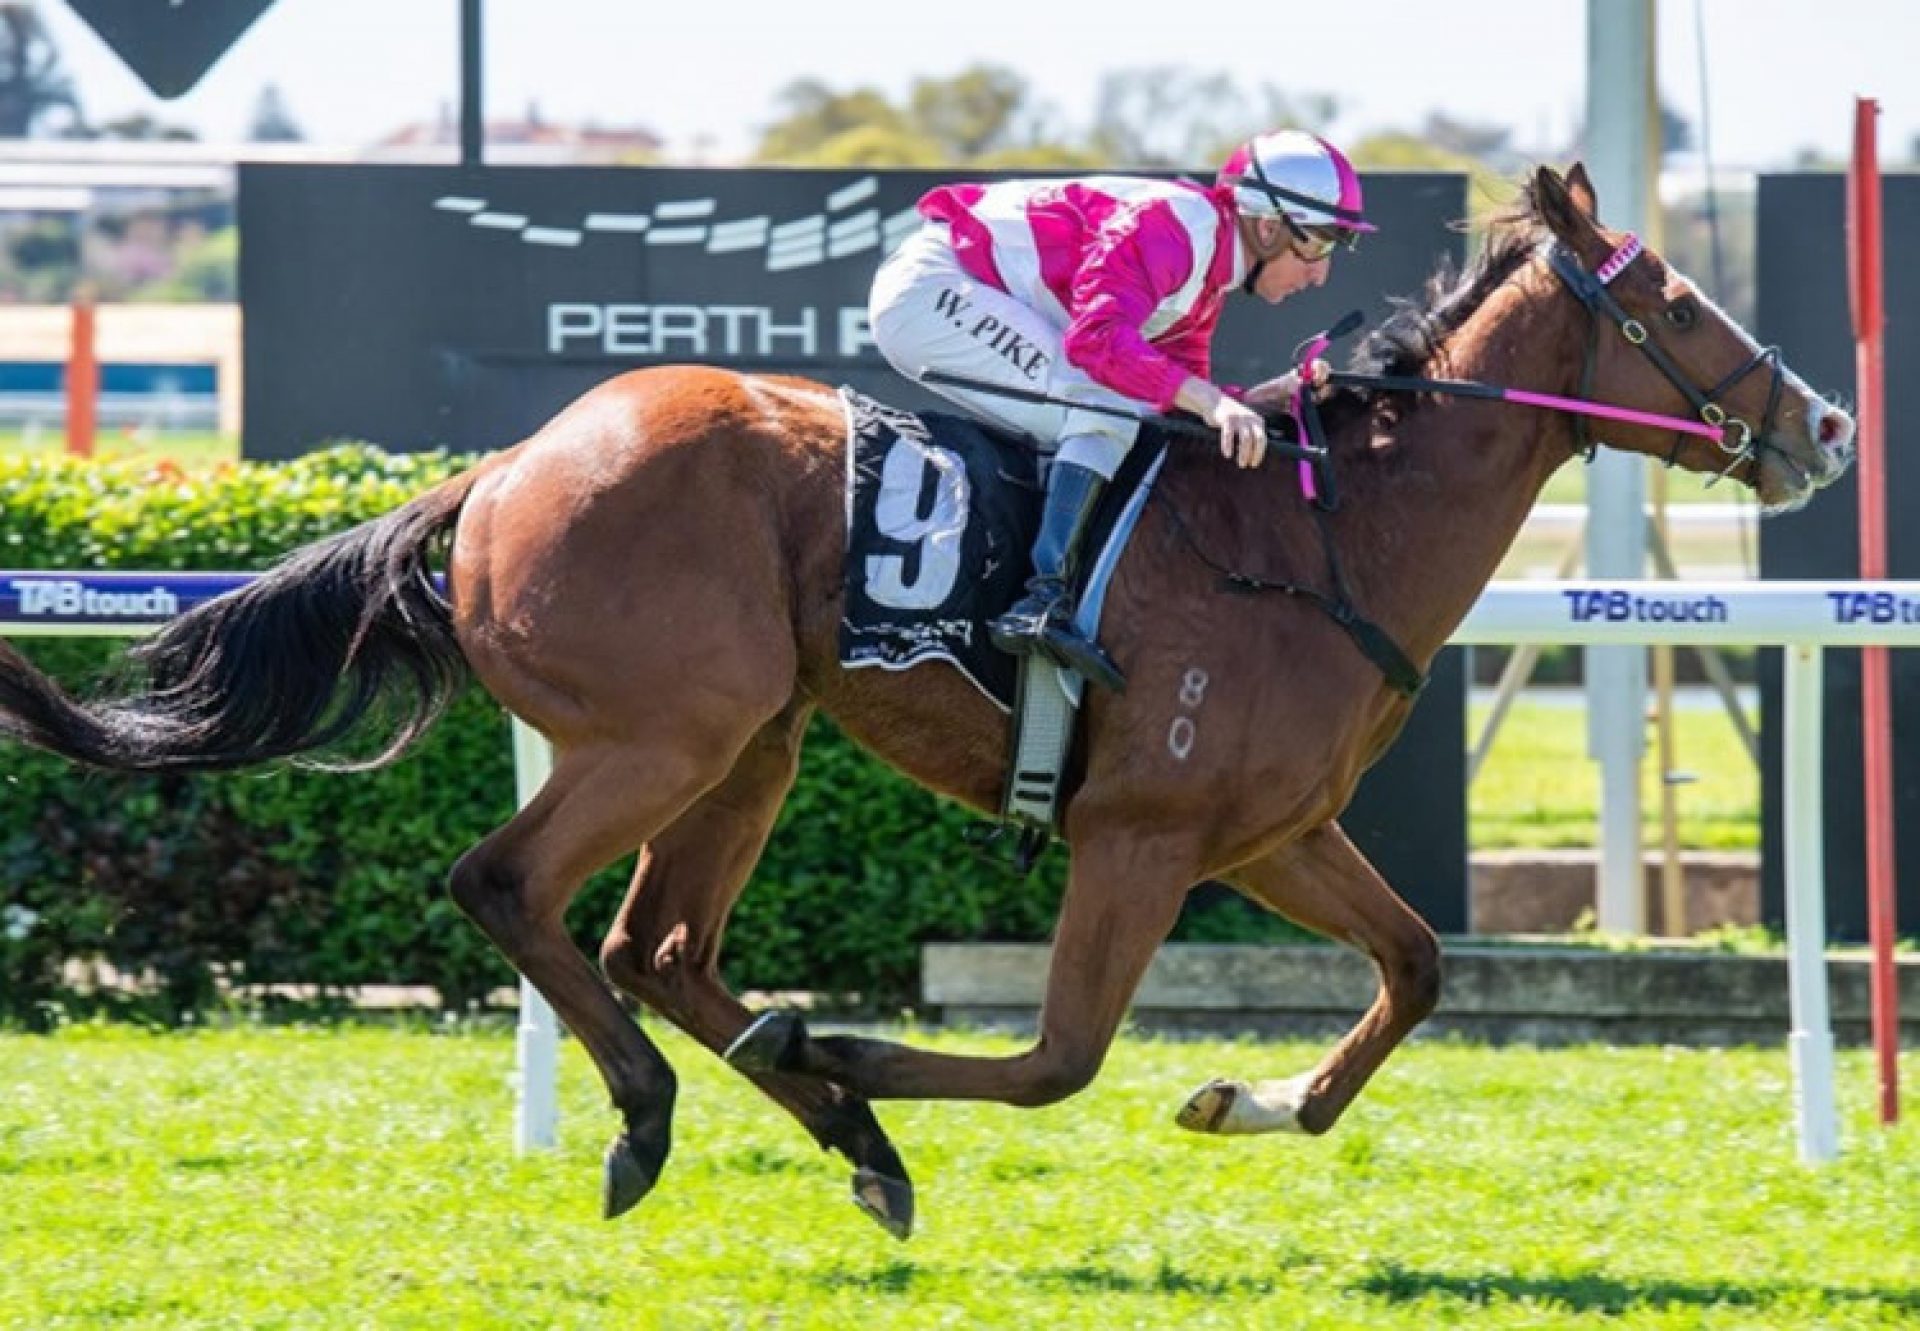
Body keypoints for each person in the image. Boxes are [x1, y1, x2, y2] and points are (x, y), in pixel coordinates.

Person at [867, 129, 1374, 693]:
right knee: (1103, 404)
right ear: (1268, 225)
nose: (1321, 272)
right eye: (1320, 243)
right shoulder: (1177, 230)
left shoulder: (1206, 277)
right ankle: (1042, 597)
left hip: (961, 287)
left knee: (1130, 409)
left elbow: (1175, 397)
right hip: (935, 289)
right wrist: (1209, 402)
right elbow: (1097, 340)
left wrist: (1258, 397)